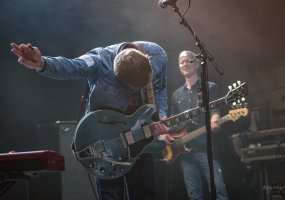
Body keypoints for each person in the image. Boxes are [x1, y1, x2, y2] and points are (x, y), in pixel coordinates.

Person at [11, 41, 172, 200]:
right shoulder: (99, 61)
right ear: (117, 75)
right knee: (110, 195)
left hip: (141, 135)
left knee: (144, 193)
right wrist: (42, 63)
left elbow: (161, 88)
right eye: (130, 88)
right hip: (106, 138)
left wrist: (161, 114)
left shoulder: (157, 56)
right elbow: (71, 67)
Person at [169, 50, 228, 200]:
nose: (183, 64)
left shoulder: (209, 87)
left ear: (196, 64)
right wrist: (166, 134)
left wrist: (215, 120)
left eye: (187, 61)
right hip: (184, 151)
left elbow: (215, 109)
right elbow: (173, 121)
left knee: (218, 189)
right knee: (193, 194)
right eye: (181, 62)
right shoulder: (176, 95)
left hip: (206, 147)